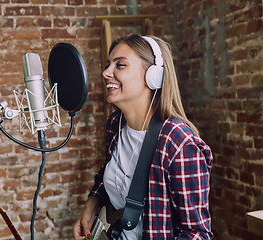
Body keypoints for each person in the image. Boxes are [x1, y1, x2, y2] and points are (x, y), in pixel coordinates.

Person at [73, 33, 213, 239]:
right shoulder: (115, 124)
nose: (106, 72)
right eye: (108, 65)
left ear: (153, 76)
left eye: (120, 65)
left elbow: (197, 233)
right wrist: (92, 202)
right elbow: (114, 173)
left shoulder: (179, 144)